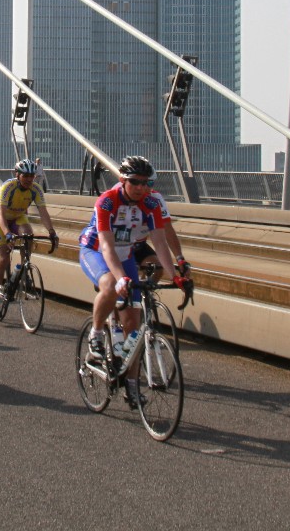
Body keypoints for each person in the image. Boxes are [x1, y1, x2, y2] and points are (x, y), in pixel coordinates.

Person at [78, 156, 186, 407]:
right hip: (96, 250)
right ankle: (96, 333)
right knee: (109, 285)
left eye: (145, 182)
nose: (141, 187)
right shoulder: (107, 201)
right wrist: (121, 279)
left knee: (134, 330)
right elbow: (106, 246)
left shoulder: (151, 203)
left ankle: (132, 385)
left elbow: (160, 242)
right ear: (122, 180)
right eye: (135, 182)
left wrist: (176, 275)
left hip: (125, 253)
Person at [0, 158, 59, 316]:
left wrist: (52, 232)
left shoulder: (36, 189)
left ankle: (23, 269)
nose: (29, 179)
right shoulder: (8, 187)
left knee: (28, 235)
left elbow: (43, 212)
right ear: (17, 175)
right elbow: (0, 214)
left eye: (32, 176)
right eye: (25, 176)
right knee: (3, 259)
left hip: (17, 216)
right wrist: (7, 234)